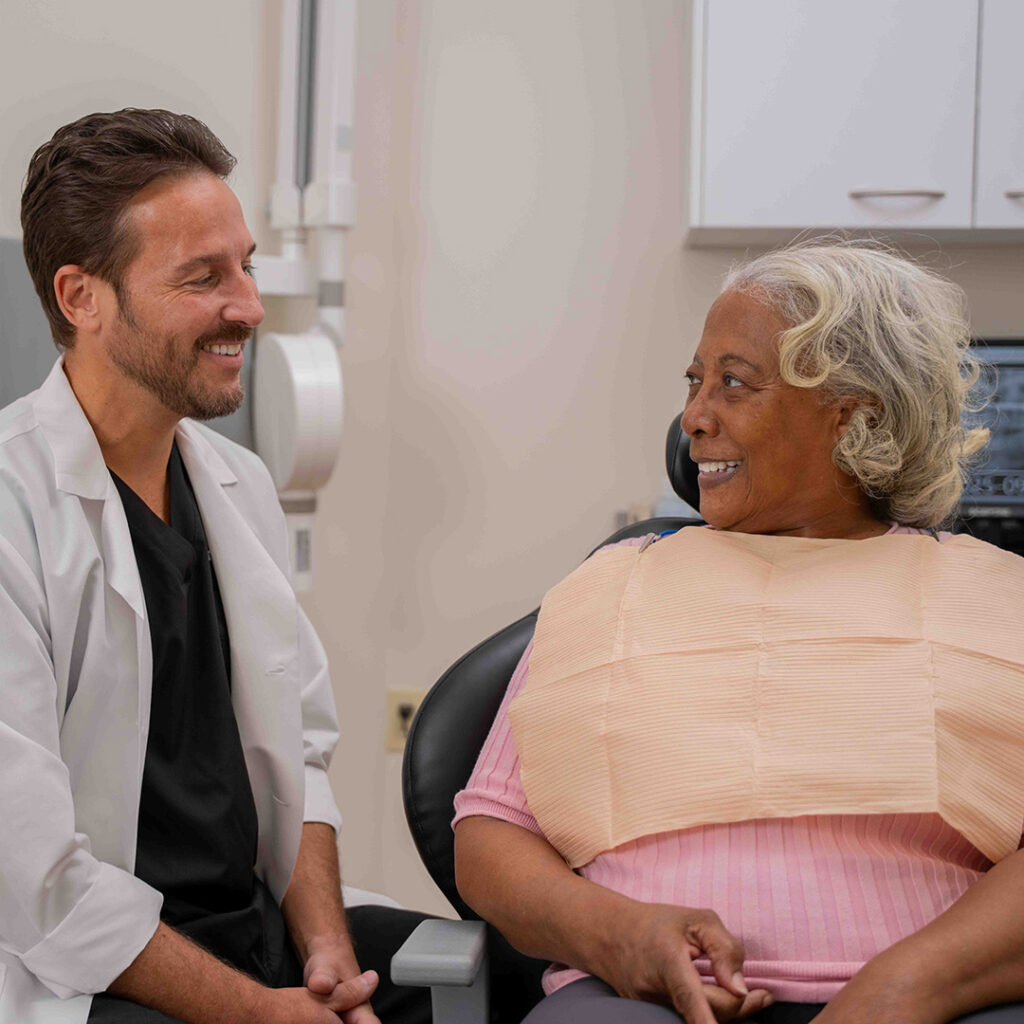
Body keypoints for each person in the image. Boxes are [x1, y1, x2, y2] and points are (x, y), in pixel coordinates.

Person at [453, 242, 1024, 1024]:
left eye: (733, 383)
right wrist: (615, 933)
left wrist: (905, 988)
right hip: (645, 1003)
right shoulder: (614, 584)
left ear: (856, 413)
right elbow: (489, 834)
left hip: (946, 1002)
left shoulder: (994, 597)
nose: (693, 417)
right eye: (695, 382)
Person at [0, 109, 431, 1024]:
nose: (247, 306)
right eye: (203, 278)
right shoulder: (11, 510)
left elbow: (299, 750)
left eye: (247, 265)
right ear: (82, 298)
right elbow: (32, 877)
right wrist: (257, 1013)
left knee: (510, 972)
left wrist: (325, 952)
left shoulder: (237, 485)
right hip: (92, 971)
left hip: (256, 935)